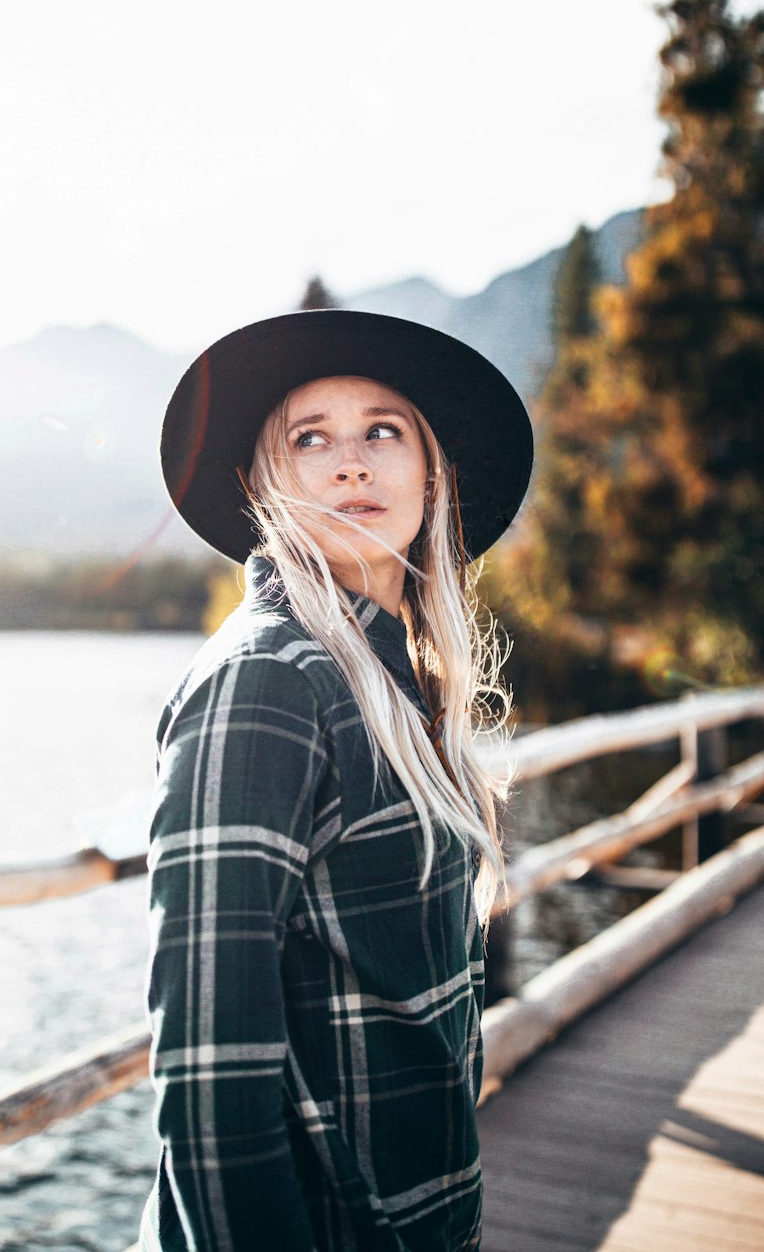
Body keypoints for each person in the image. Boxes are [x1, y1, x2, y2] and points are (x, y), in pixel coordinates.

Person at [140, 309, 533, 1252]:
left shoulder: (399, 681)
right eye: (310, 439)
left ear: (432, 471)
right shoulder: (268, 682)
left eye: (382, 432)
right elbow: (210, 1074)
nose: (351, 464)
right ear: (270, 483)